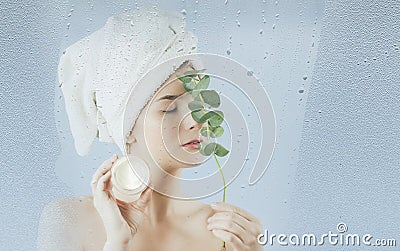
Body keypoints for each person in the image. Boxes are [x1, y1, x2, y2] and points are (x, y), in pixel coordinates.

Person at [37, 7, 263, 251]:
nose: (195, 121)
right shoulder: (68, 220)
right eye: (170, 108)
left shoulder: (224, 233)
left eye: (197, 102)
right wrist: (117, 243)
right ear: (127, 128)